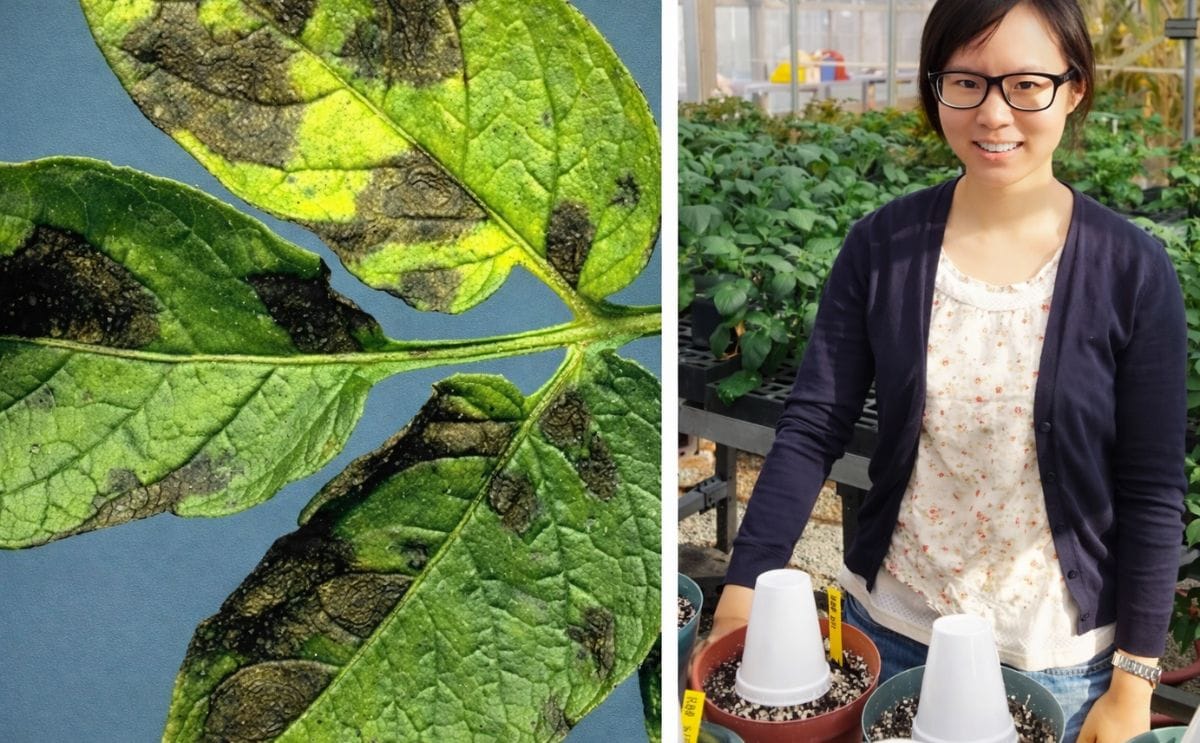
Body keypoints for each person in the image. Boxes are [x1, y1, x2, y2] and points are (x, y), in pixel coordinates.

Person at [698, 1, 1189, 741]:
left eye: (1027, 84)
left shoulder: (1132, 270)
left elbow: (1153, 487)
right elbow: (811, 427)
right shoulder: (881, 247)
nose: (994, 113)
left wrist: (1134, 679)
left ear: (1075, 87)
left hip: (1057, 662)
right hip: (895, 633)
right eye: (967, 82)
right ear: (936, 88)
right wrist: (743, 588)